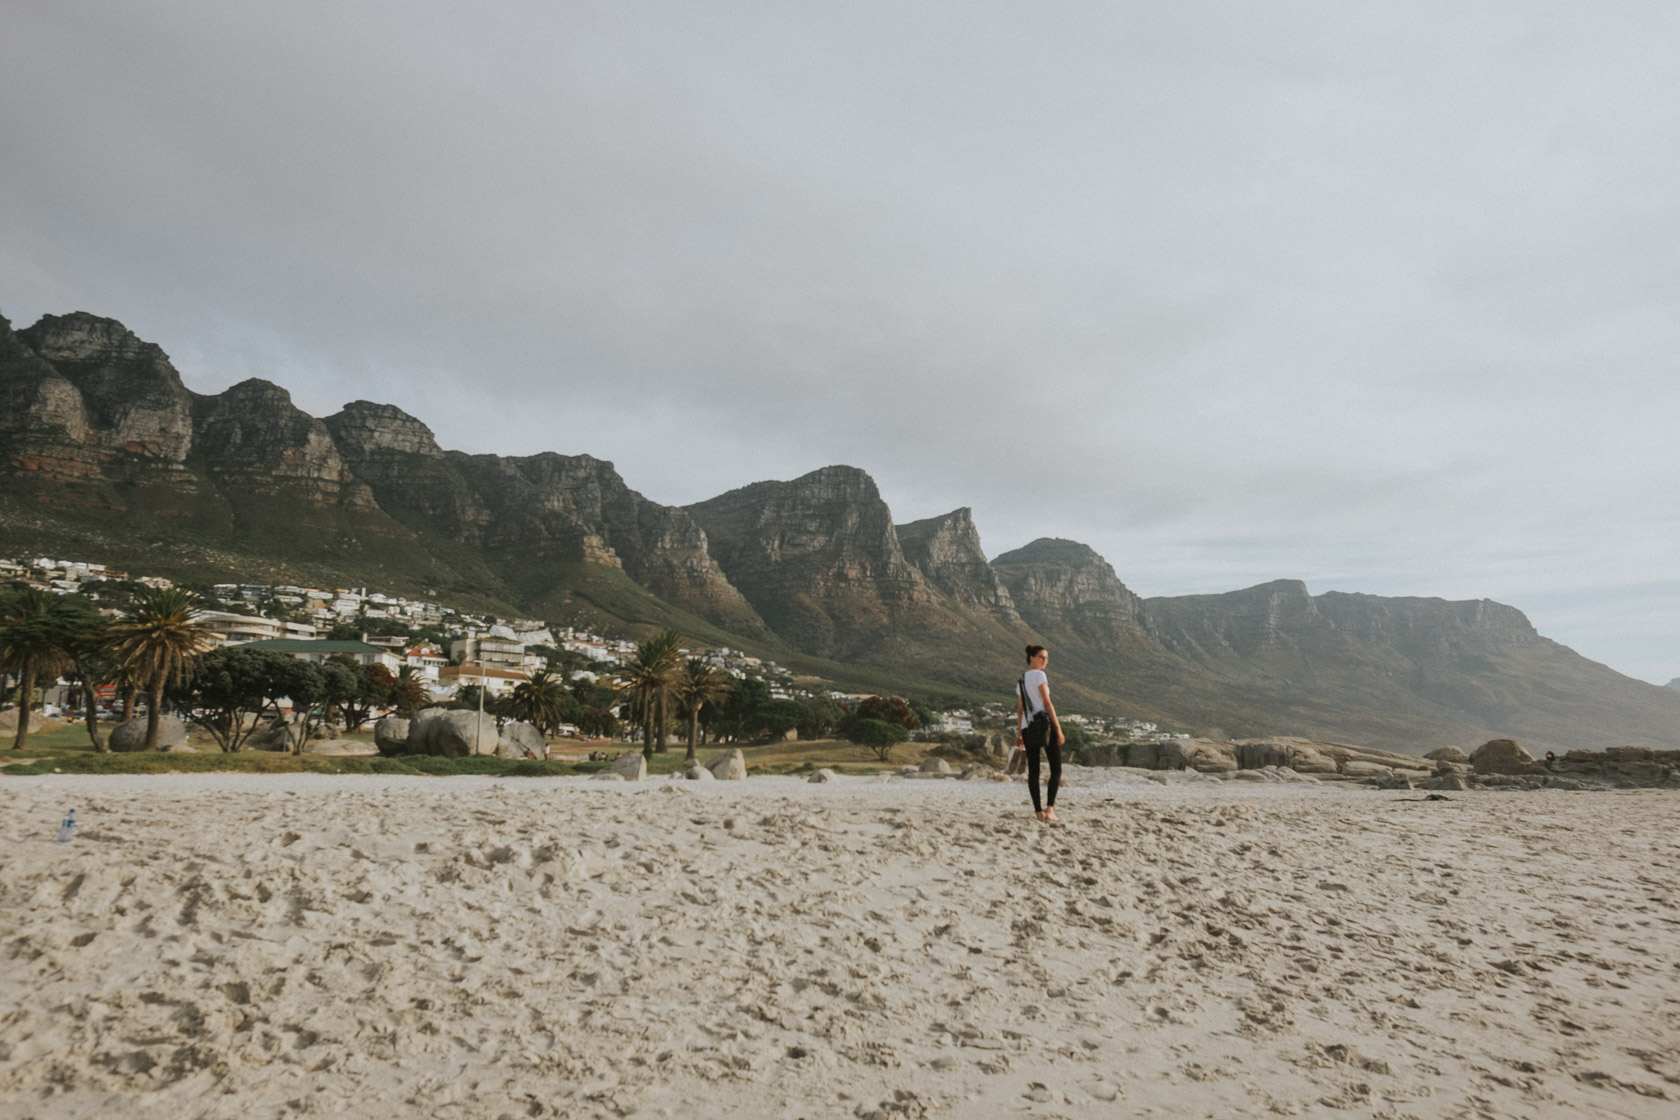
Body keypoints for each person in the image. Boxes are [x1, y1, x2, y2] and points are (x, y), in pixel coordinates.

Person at [1014, 644, 1066, 822]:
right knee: (1056, 769)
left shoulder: (1021, 681)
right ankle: (1050, 810)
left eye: (1046, 658)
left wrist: (1019, 733)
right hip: (1045, 725)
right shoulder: (1039, 675)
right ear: (1032, 659)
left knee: (1034, 771)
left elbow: (1020, 711)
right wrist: (1058, 728)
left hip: (1028, 728)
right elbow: (1047, 702)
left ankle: (1038, 812)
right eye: (1042, 657)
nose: (1045, 661)